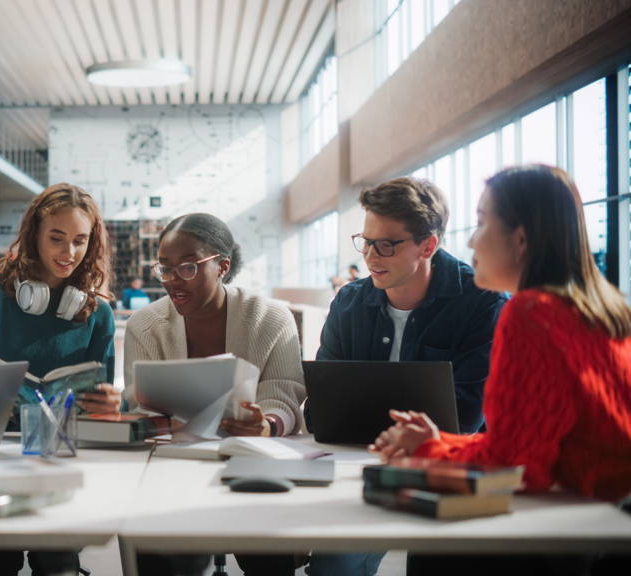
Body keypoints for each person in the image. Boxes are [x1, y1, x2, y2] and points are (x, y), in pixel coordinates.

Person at [371, 165, 631, 576]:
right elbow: (532, 448)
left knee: (431, 543)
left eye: (481, 222)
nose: (472, 239)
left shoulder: (530, 313)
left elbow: (512, 466)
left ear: (521, 239)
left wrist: (429, 450)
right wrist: (442, 441)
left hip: (553, 535)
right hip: (602, 525)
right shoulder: (607, 310)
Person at [307, 176, 507, 576]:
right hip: (357, 466)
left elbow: (466, 417)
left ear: (428, 245)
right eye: (364, 241)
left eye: (387, 244)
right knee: (333, 565)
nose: (370, 255)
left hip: (446, 469)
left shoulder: (482, 304)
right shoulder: (349, 302)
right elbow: (320, 412)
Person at [123, 212, 306, 576]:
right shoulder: (145, 324)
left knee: (269, 558)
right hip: (171, 467)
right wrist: (149, 415)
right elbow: (135, 400)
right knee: (164, 556)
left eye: (187, 267)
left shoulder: (270, 318)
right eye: (165, 268)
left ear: (222, 266)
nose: (173, 280)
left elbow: (284, 393)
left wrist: (265, 424)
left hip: (252, 462)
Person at [0, 182, 117, 576]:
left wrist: (114, 405)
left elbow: (101, 406)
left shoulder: (97, 313)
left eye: (80, 241)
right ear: (34, 236)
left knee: (59, 559)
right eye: (56, 239)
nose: (69, 253)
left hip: (59, 453)